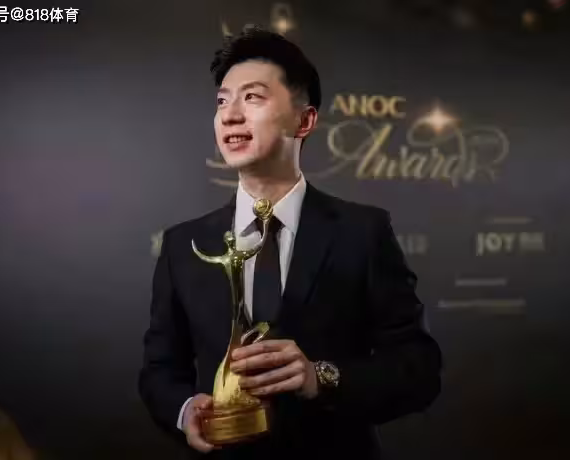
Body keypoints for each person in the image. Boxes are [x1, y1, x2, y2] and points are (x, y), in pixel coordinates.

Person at [138, 27, 442, 460]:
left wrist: (321, 377)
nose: (230, 115)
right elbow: (159, 370)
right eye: (222, 101)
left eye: (252, 97)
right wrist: (185, 410)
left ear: (305, 120)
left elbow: (419, 369)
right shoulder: (183, 244)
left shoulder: (363, 232)